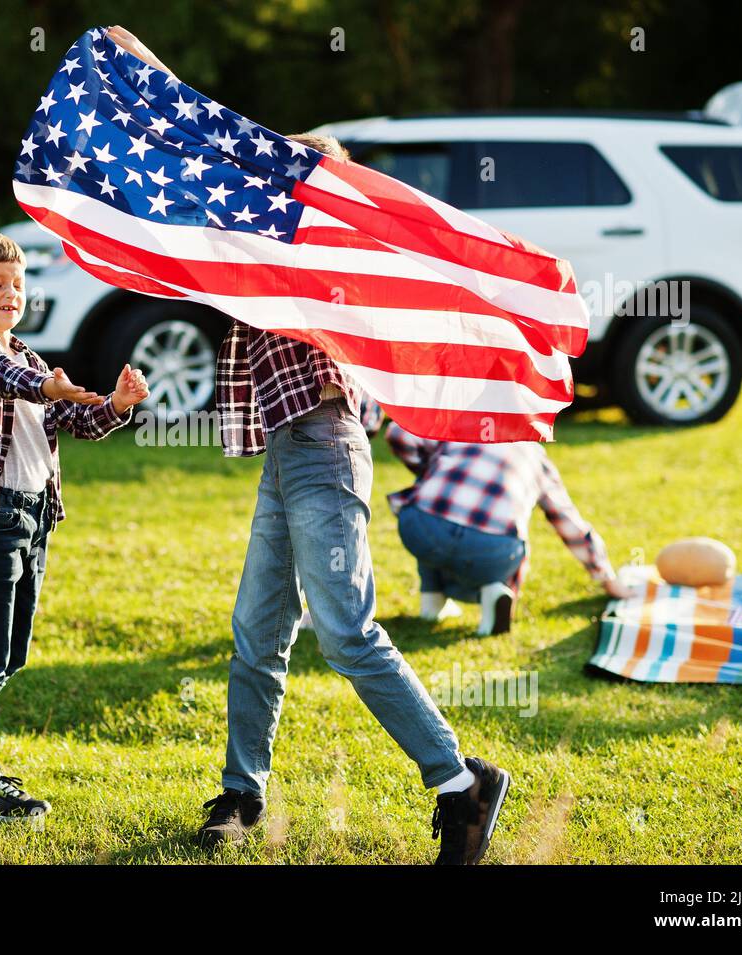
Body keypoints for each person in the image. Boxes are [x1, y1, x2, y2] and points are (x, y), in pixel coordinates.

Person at [106, 25, 511, 865]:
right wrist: (147, 82)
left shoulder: (322, 253)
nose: (263, 188)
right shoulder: (264, 253)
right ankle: (242, 791)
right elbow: (204, 170)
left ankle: (459, 780)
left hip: (325, 449)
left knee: (347, 632)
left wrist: (151, 74)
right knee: (257, 633)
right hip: (288, 458)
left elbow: (219, 152)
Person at [0, 229, 149, 820]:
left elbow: (68, 418)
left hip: (32, 520)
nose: (12, 293)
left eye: (18, 283)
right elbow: (2, 379)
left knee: (8, 657)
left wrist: (113, 405)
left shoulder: (28, 357)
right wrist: (43, 384)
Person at [386, 421, 633, 635]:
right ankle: (493, 591)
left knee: (436, 511)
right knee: (517, 543)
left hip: (421, 526)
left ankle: (432, 598)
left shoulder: (461, 423)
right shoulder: (537, 458)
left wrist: (428, 470)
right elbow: (569, 524)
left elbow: (398, 433)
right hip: (491, 549)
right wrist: (606, 577)